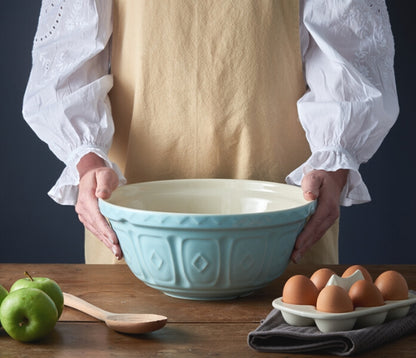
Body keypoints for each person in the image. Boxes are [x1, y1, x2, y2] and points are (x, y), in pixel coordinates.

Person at [23, 0, 399, 265]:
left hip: (286, 214)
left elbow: (351, 56)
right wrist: (88, 164)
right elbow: (65, 68)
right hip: (131, 218)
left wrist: (333, 169)